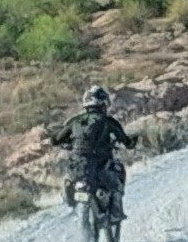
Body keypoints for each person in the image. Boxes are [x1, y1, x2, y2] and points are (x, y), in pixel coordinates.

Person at [51, 86, 134, 214]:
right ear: (103, 103)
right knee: (117, 180)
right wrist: (130, 142)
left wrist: (65, 142)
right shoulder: (108, 121)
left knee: (70, 177)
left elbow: (56, 140)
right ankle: (116, 212)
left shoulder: (75, 121)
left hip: (78, 163)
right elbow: (124, 139)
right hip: (101, 162)